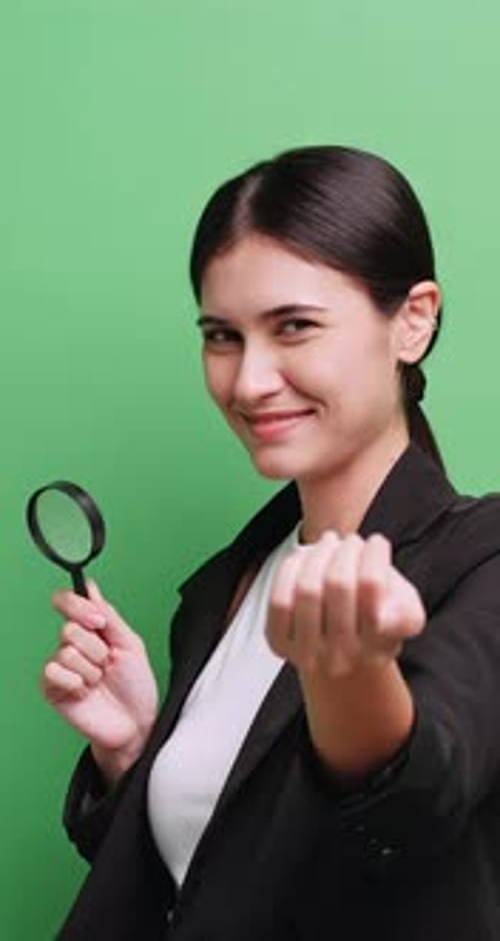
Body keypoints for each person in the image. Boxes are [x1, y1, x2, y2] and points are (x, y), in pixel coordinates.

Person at [43, 146, 500, 941]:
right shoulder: (225, 588)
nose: (249, 380)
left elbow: (418, 809)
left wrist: (350, 675)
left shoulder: (484, 560)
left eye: (294, 326)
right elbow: (204, 881)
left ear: (413, 321)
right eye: (222, 336)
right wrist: (137, 756)